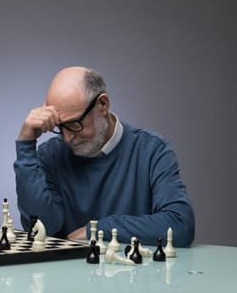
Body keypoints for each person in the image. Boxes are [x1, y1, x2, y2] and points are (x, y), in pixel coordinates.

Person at [14, 66, 195, 247]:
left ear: (102, 105)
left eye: (74, 124)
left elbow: (180, 225)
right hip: (68, 273)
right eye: (59, 127)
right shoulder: (50, 155)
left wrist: (98, 229)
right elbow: (42, 228)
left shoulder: (152, 150)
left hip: (134, 272)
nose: (67, 137)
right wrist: (25, 146)